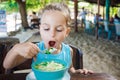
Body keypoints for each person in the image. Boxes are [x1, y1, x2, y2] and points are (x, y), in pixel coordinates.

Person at [3, 2, 93, 80]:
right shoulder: (35, 50)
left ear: (67, 32)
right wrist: (16, 49)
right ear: (40, 29)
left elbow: (70, 70)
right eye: (46, 29)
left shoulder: (68, 51)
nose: (52, 34)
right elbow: (7, 65)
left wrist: (77, 71)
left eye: (58, 30)